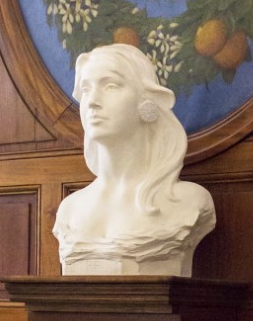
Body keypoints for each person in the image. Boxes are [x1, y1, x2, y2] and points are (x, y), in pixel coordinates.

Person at [53, 43, 215, 275]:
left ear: (146, 101)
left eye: (110, 86)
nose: (92, 101)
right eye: (86, 89)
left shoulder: (189, 201)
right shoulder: (69, 210)